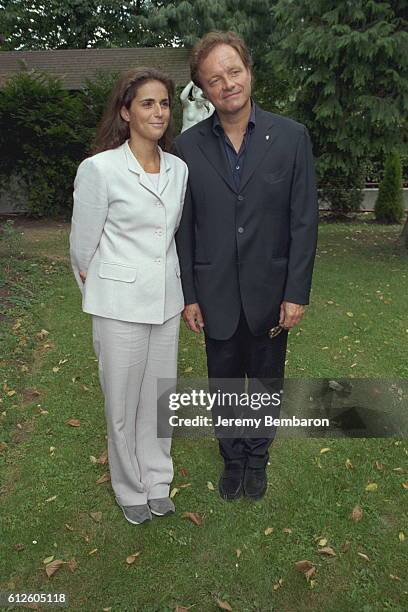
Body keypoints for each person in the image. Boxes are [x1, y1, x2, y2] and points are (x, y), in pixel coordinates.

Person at [173, 32, 318, 501]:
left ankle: (258, 456)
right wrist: (189, 295)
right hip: (214, 294)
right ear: (203, 89)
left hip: (272, 293)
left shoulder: (291, 137)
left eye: (233, 71)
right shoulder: (188, 148)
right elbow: (185, 227)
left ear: (249, 72)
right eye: (214, 79)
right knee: (224, 384)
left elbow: (304, 221)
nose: (227, 84)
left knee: (265, 383)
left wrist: (296, 292)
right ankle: (232, 458)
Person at [69, 68, 188, 525]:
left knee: (161, 398)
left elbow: (170, 233)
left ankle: (157, 479)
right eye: (147, 103)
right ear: (125, 111)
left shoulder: (179, 169)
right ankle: (128, 487)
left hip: (166, 302)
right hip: (118, 304)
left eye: (164, 104)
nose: (158, 112)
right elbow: (83, 247)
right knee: (121, 402)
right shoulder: (99, 169)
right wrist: (100, 293)